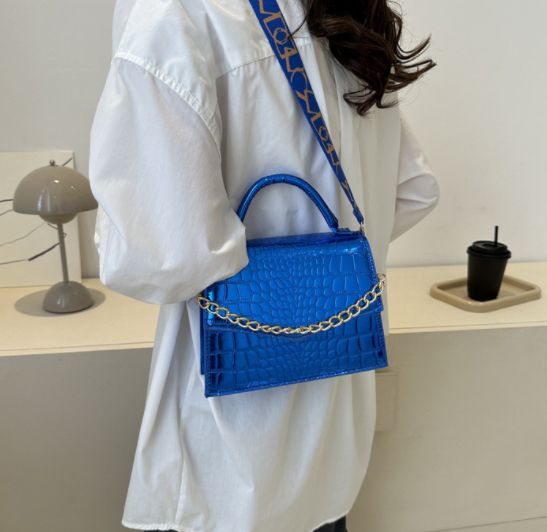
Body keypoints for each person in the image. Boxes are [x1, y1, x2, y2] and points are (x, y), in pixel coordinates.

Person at [88, 0, 440, 531]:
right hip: (334, 450)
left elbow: (158, 256)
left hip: (228, 462)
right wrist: (319, 264)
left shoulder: (176, 15)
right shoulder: (349, 14)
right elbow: (413, 191)